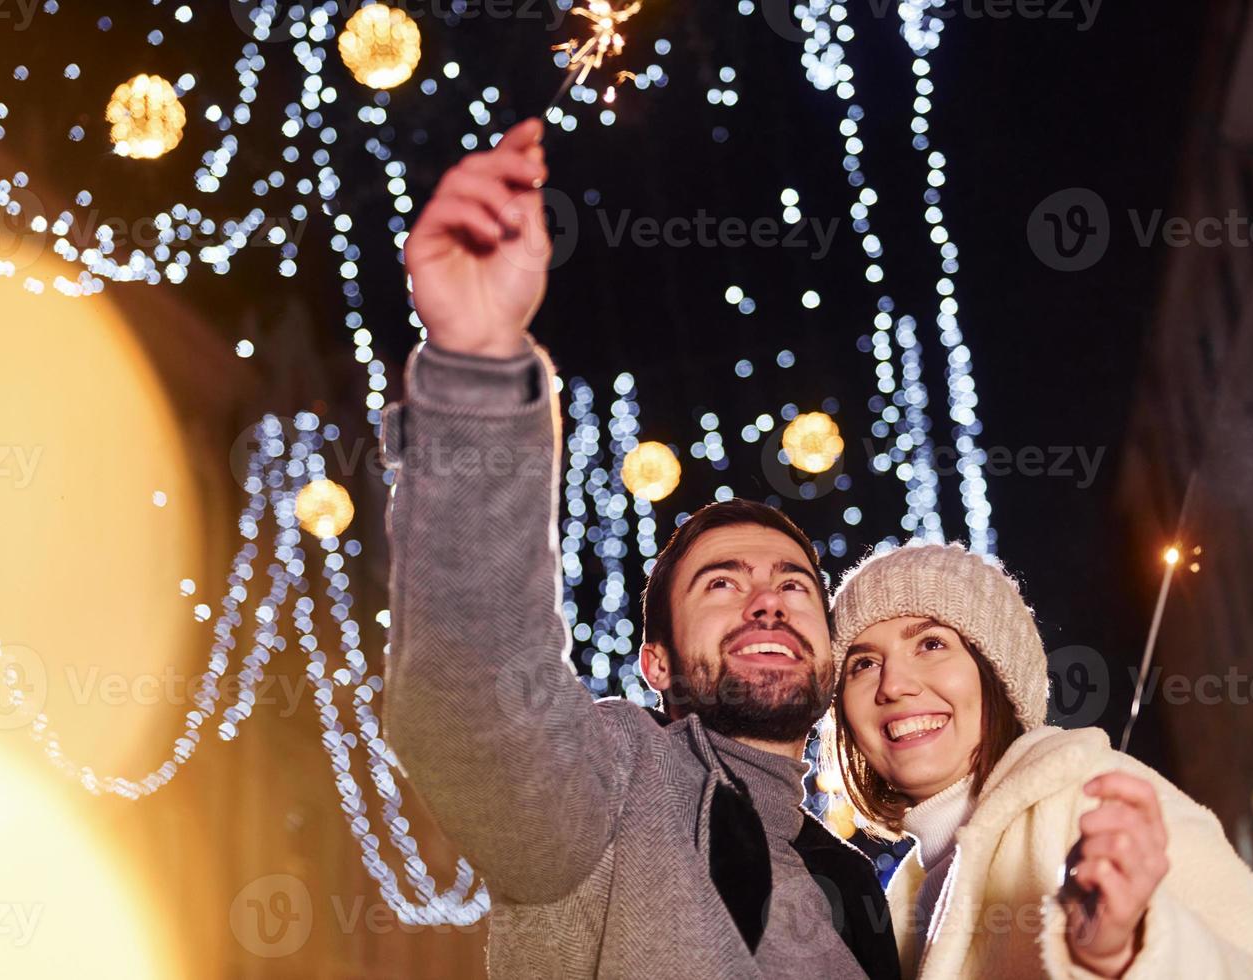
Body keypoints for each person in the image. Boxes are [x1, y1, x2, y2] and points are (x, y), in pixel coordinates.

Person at [380, 116, 900, 978]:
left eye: (793, 585)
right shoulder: (609, 786)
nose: (766, 598)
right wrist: (476, 363)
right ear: (656, 665)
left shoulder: (859, 894)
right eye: (721, 585)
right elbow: (469, 697)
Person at [824, 540, 1253, 978]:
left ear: (996, 672)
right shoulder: (901, 905)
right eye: (863, 663)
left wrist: (1124, 953)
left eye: (931, 644)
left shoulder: (1091, 795)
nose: (893, 685)